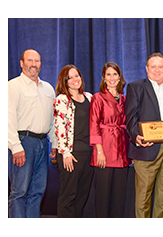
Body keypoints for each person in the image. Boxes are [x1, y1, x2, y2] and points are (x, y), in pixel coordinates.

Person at [125, 52, 163, 218]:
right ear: (146, 68)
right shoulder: (136, 87)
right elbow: (130, 117)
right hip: (146, 146)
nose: (157, 70)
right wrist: (136, 136)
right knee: (143, 194)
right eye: (153, 66)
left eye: (160, 66)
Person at [8, 49, 57, 218]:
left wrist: (55, 144)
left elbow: (52, 120)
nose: (34, 64)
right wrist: (15, 147)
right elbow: (8, 118)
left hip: (43, 143)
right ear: (22, 63)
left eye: (37, 61)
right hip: (23, 142)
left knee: (38, 191)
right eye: (30, 60)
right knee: (20, 192)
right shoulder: (12, 86)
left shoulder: (48, 89)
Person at [90, 62, 131, 218]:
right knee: (103, 197)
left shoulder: (125, 99)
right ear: (103, 78)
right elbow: (94, 126)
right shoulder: (97, 98)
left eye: (115, 74)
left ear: (120, 77)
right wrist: (99, 151)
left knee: (119, 198)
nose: (112, 78)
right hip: (104, 153)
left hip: (122, 154)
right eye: (108, 74)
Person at [53, 65, 93, 218]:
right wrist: (65, 153)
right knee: (68, 196)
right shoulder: (62, 100)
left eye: (77, 76)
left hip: (88, 154)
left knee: (82, 196)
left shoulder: (89, 97)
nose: (75, 80)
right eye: (70, 77)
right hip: (71, 155)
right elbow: (60, 128)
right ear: (65, 81)